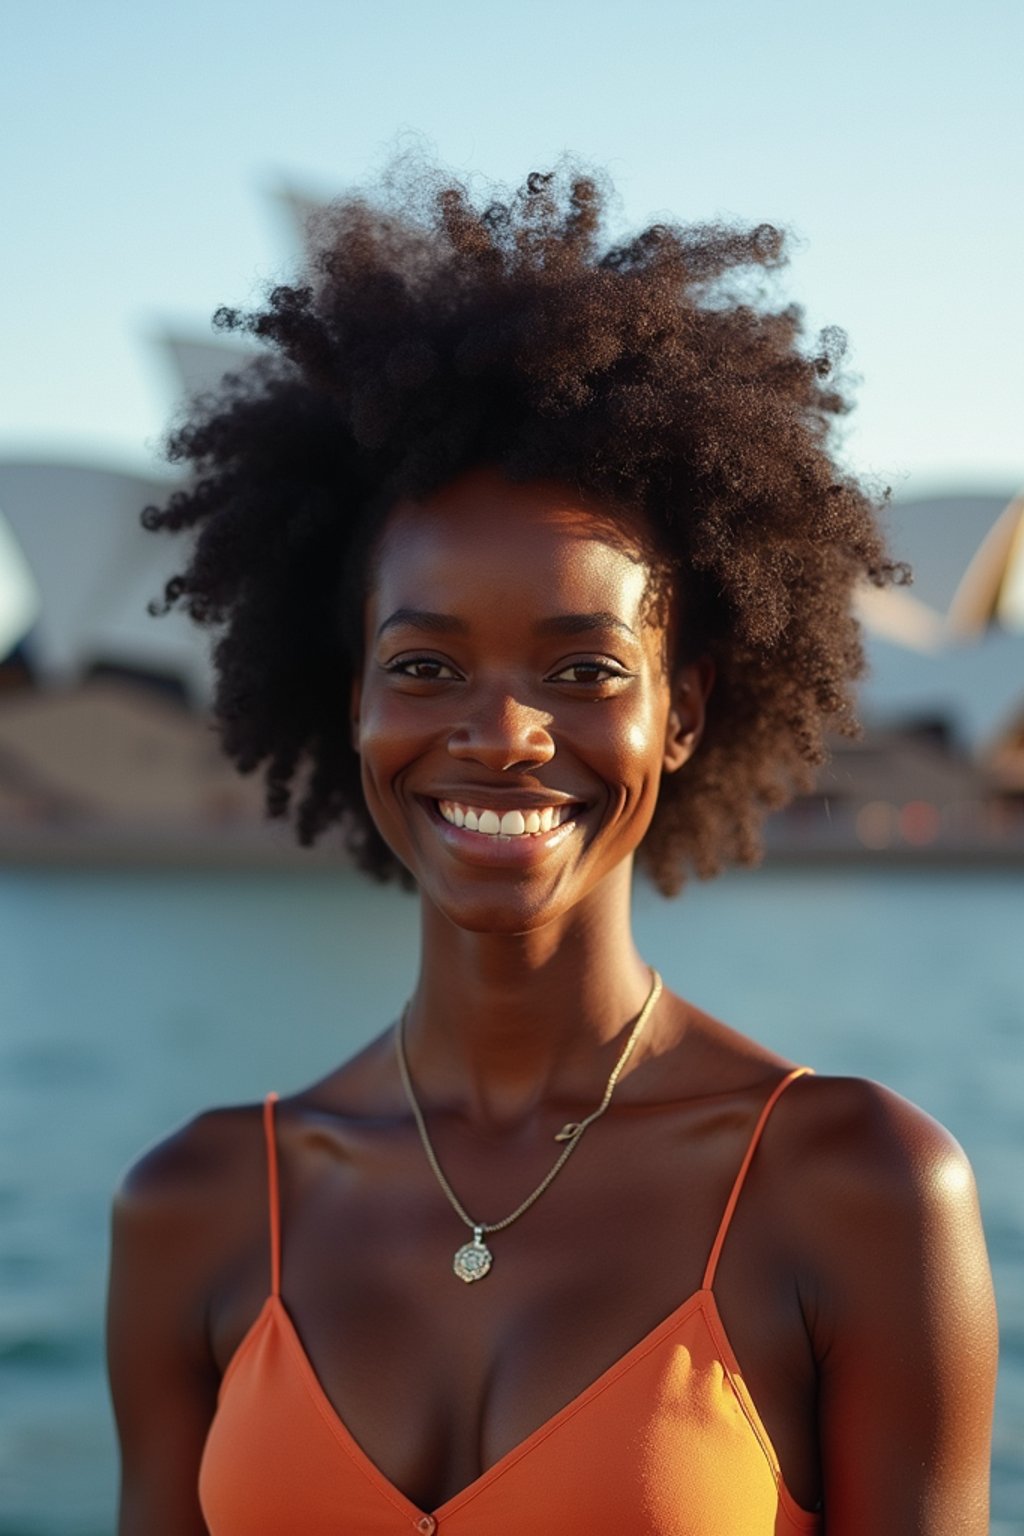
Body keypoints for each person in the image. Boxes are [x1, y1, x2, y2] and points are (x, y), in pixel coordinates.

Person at [107, 160, 997, 1535]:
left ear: (684, 712)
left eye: (584, 670)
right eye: (424, 664)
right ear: (350, 699)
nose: (504, 734)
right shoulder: (196, 1208)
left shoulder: (859, 1188)